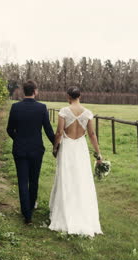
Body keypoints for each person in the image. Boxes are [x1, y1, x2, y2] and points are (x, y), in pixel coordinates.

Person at [48, 86, 103, 237]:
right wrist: (98, 153)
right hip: (80, 148)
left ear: (68, 96)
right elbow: (91, 134)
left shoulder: (64, 111)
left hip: (67, 148)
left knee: (66, 178)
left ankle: (65, 211)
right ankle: (83, 212)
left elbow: (59, 132)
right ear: (80, 96)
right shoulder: (87, 113)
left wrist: (55, 148)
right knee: (81, 179)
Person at [7, 80, 55, 225]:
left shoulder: (15, 107)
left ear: (23, 92)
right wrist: (56, 144)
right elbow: (48, 129)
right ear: (35, 91)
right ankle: (31, 206)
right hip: (36, 149)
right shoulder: (42, 108)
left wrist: (18, 139)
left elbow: (10, 129)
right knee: (34, 180)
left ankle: (26, 214)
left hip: (20, 149)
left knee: (22, 181)